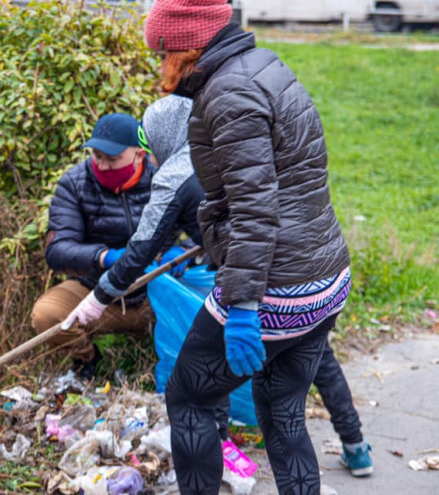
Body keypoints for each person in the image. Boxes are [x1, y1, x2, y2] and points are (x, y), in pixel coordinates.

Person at [61, 1, 372, 492]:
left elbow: (254, 209)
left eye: (162, 51)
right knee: (283, 413)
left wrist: (245, 309)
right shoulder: (265, 65)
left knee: (188, 397)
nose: (159, 63)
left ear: (187, 45)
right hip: (325, 277)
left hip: (274, 286)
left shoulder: (227, 95)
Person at [31, 113, 204, 381]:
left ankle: (181, 368)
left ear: (139, 154)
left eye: (112, 159)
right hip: (96, 290)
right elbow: (57, 250)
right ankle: (87, 361)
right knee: (47, 315)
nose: (102, 164)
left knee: (209, 310)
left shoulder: (167, 179)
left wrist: (184, 251)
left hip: (157, 288)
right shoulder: (75, 184)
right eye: (97, 156)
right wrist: (105, 257)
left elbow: (209, 225)